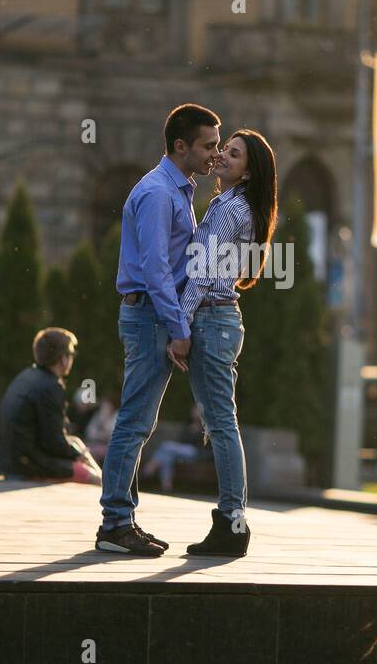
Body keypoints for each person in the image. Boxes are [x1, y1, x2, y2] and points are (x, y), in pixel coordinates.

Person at [95, 103, 220, 556]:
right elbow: (155, 269)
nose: (215, 154)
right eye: (208, 146)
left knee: (140, 422)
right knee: (133, 422)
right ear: (180, 146)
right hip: (150, 315)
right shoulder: (157, 194)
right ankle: (114, 524)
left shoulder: (178, 189)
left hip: (153, 315)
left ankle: (123, 518)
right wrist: (178, 326)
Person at [177, 128, 278, 556]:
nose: (221, 157)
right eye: (222, 150)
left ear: (249, 171)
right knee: (220, 423)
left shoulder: (227, 208)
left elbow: (200, 271)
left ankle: (233, 523)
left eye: (233, 155)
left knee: (220, 425)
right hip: (223, 319)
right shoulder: (241, 206)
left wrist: (180, 327)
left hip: (212, 320)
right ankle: (231, 520)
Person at [0, 327, 101, 484]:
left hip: (9, 461)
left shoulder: (27, 376)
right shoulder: (51, 386)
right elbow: (53, 442)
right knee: (91, 477)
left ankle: (106, 482)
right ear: (63, 358)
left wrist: (75, 451)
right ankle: (107, 486)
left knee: (75, 442)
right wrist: (76, 455)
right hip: (26, 465)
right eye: (72, 354)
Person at [143, 405, 207, 493]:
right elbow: (181, 441)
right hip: (182, 452)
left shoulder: (206, 427)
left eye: (197, 410)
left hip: (197, 452)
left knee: (166, 446)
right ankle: (166, 487)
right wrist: (190, 430)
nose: (195, 412)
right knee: (167, 456)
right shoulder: (188, 425)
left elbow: (203, 445)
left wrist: (198, 430)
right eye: (194, 409)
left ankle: (148, 470)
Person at [83, 393, 119, 462]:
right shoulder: (99, 415)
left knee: (91, 452)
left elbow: (110, 435)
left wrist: (100, 433)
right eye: (102, 407)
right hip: (95, 443)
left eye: (106, 407)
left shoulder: (116, 416)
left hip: (110, 447)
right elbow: (89, 432)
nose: (103, 409)